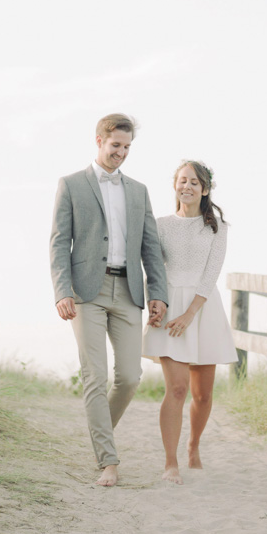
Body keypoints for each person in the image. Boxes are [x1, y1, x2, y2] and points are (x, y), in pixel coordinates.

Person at [50, 113, 169, 487]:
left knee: (130, 376)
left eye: (127, 147)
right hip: (86, 292)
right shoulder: (70, 185)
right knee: (95, 377)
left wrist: (158, 295)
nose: (121, 153)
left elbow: (151, 247)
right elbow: (58, 242)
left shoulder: (138, 191)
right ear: (99, 140)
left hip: (129, 291)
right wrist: (62, 290)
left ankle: (100, 436)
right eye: (116, 145)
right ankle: (109, 461)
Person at [142, 160, 237, 483]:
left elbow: (211, 275)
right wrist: (157, 303)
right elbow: (153, 266)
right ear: (174, 186)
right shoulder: (160, 224)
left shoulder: (217, 228)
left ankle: (193, 445)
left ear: (205, 189)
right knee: (178, 389)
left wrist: (189, 314)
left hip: (202, 308)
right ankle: (171, 463)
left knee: (203, 395)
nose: (187, 186)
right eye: (182, 181)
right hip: (169, 307)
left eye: (194, 182)